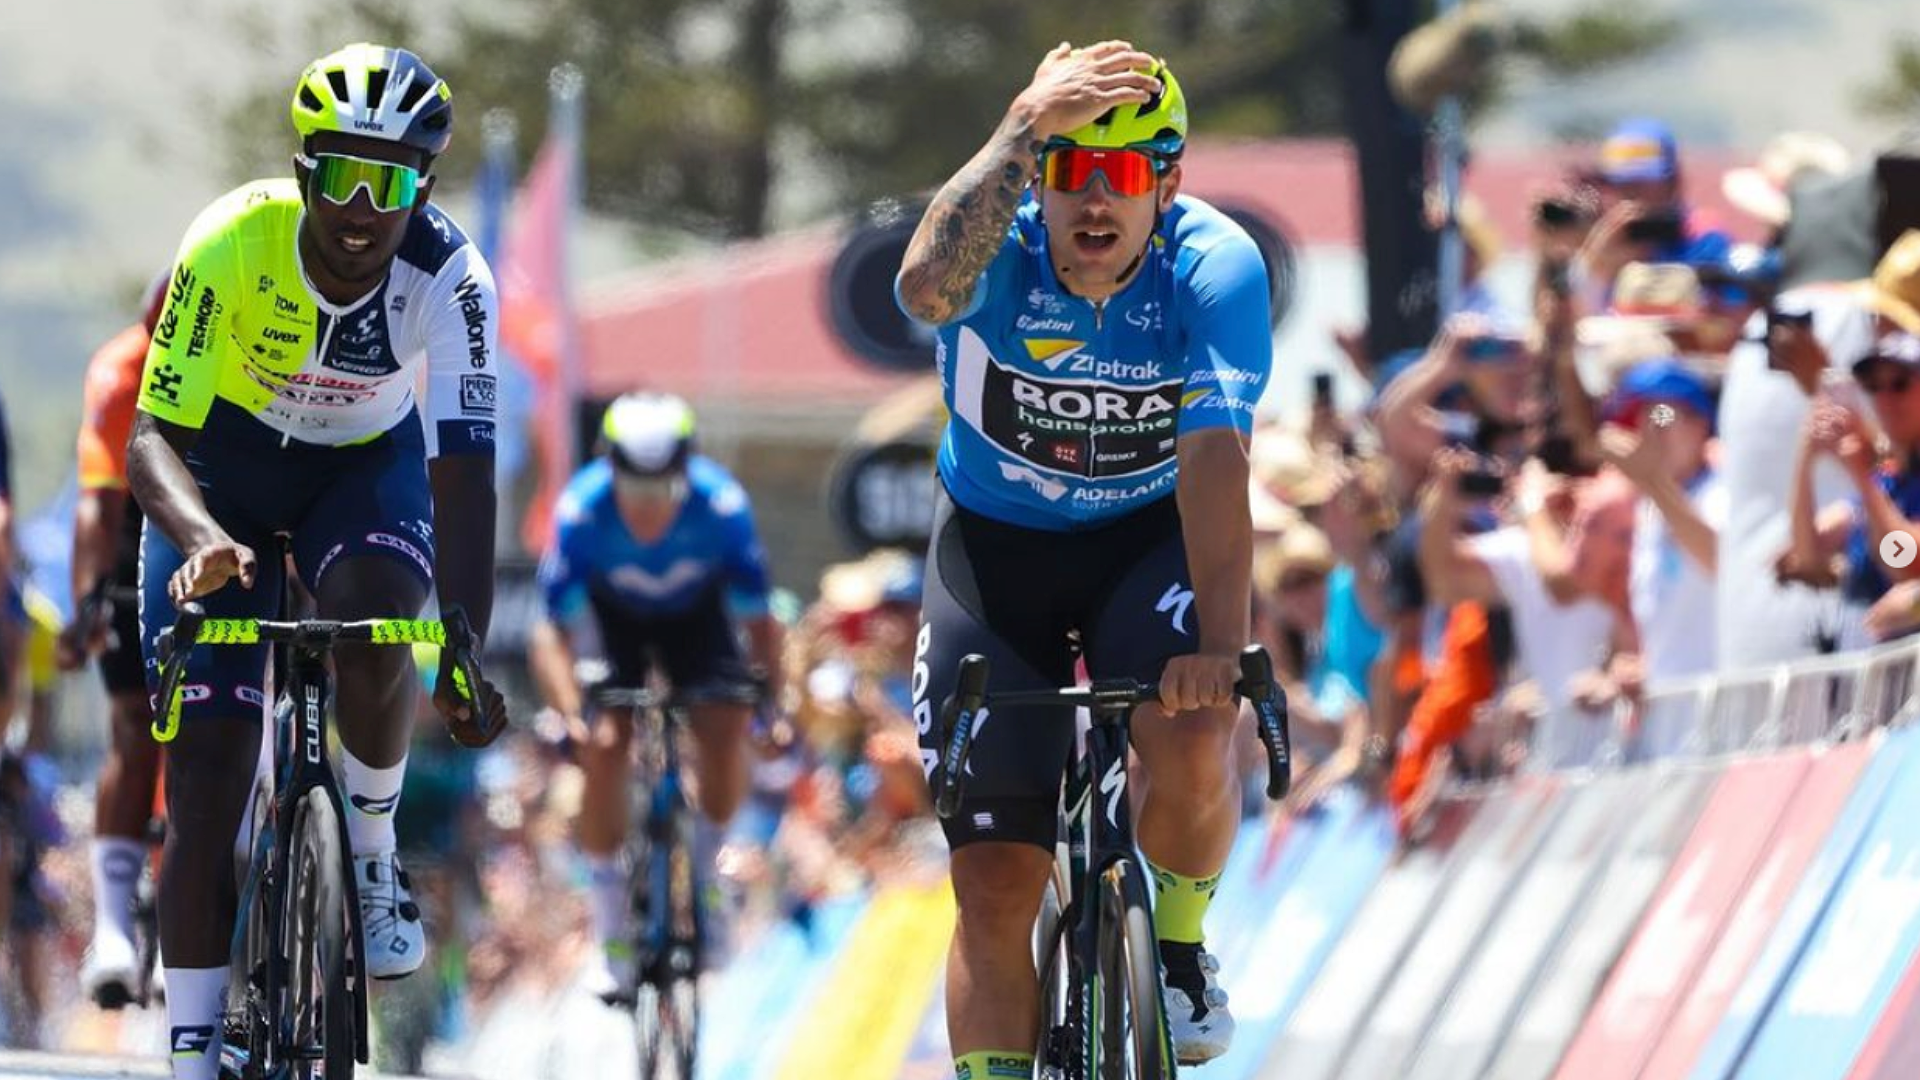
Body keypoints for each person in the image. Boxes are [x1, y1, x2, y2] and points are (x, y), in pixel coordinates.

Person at [126, 43, 509, 1080]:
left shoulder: (454, 279)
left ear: (421, 188)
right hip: (222, 480)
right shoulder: (232, 240)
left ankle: (372, 854)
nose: (359, 208)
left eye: (389, 184)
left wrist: (463, 648)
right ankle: (194, 1050)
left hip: (359, 474)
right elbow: (150, 438)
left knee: (386, 617)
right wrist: (205, 540)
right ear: (304, 174)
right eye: (339, 173)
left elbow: (465, 474)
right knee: (204, 774)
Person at [895, 42, 1273, 1070]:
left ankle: (1183, 947)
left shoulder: (1214, 267)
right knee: (995, 879)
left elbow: (1213, 458)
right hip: (996, 554)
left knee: (1195, 735)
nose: (1094, 200)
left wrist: (1227, 652)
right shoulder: (999, 252)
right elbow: (925, 290)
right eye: (1070, 170)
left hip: (1145, 544)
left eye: (1124, 175)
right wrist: (1019, 132)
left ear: (1169, 183)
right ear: (1038, 179)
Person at [526, 391, 784, 999]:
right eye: (634, 494)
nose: (647, 511)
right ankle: (612, 921)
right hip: (615, 626)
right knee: (605, 742)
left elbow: (762, 625)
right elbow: (550, 635)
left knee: (725, 723)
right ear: (607, 470)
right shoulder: (580, 512)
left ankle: (710, 876)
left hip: (698, 620)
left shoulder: (722, 507)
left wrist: (771, 703)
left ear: (685, 474)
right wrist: (571, 715)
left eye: (662, 493)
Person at [61, 278, 169, 1007]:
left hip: (227, 518)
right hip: (136, 527)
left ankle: (202, 912)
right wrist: (91, 603)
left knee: (219, 734)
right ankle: (114, 928)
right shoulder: (120, 372)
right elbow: (98, 508)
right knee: (136, 730)